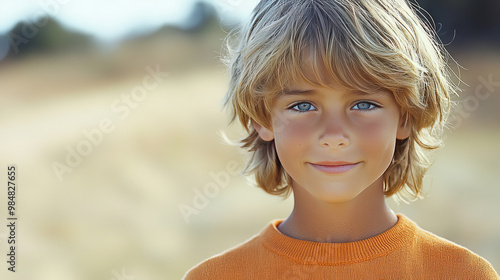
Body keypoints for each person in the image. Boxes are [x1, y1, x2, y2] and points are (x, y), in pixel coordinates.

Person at [183, 0, 499, 278]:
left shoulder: (463, 274)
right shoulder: (216, 277)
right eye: (302, 106)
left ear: (406, 115)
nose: (334, 136)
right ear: (262, 119)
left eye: (363, 104)